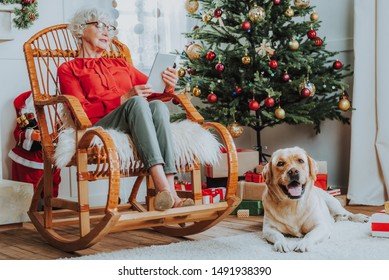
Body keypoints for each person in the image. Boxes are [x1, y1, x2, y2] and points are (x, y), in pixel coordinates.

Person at [57, 7, 193, 210]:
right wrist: (124, 98)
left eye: (110, 28)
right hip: (99, 126)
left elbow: (154, 92)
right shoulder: (69, 69)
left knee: (156, 106)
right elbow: (81, 113)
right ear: (80, 30)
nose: (106, 32)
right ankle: (162, 187)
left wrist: (167, 84)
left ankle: (169, 190)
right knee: (137, 102)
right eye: (99, 25)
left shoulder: (121, 64)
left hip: (134, 120)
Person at [8, 91, 61, 198]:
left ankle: (52, 203)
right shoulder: (26, 121)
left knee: (52, 181)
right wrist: (31, 135)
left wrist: (54, 136)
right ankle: (29, 206)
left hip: (48, 153)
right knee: (29, 185)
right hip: (31, 158)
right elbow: (17, 134)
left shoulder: (51, 117)